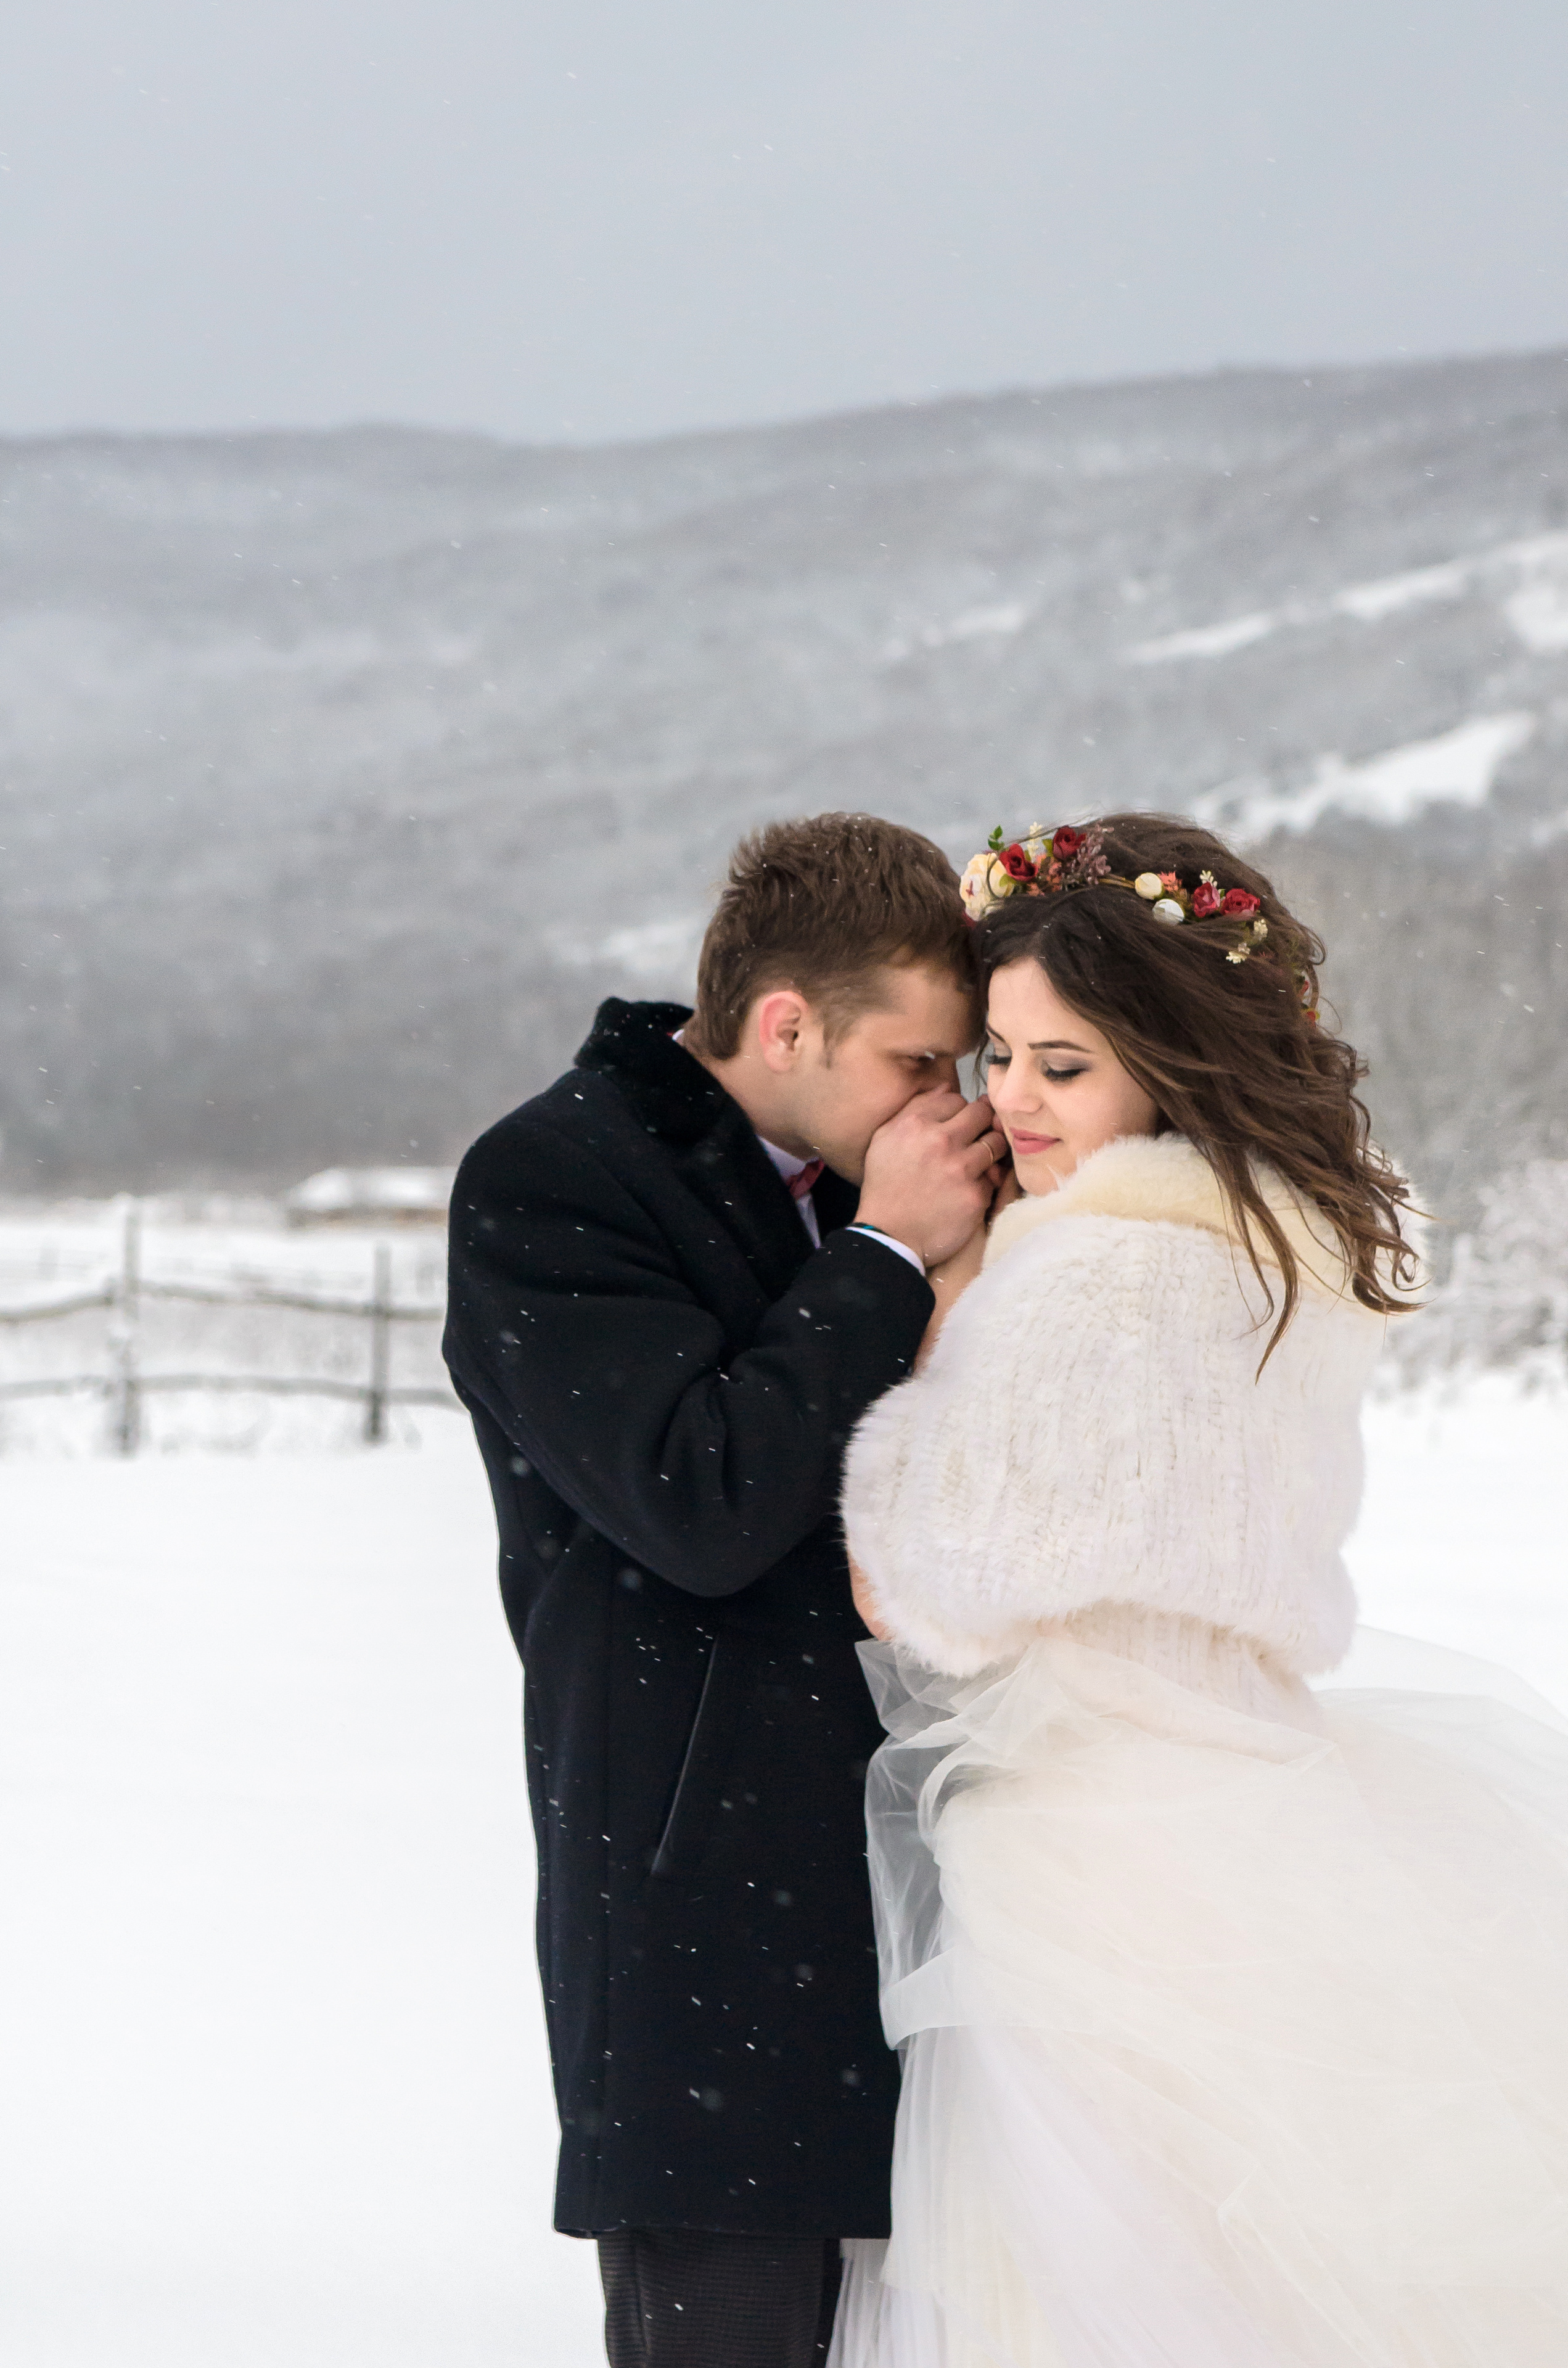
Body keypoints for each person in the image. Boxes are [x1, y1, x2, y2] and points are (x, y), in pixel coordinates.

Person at [832, 815, 1568, 2366]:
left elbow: (918, 1583)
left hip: (1100, 1857)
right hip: (1271, 1801)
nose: (1013, 1103)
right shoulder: (1281, 1244)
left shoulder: (1092, 1273)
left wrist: (937, 1287)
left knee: (1095, 2289)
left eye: (1063, 1067)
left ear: (1163, 1062)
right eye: (1002, 1058)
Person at [443, 813, 1008, 2368]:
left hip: (932, 1893)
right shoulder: (551, 1182)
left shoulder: (867, 1173)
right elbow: (699, 1498)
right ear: (784, 1023)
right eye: (918, 1063)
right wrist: (888, 1254)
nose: (945, 1109)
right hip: (704, 1912)